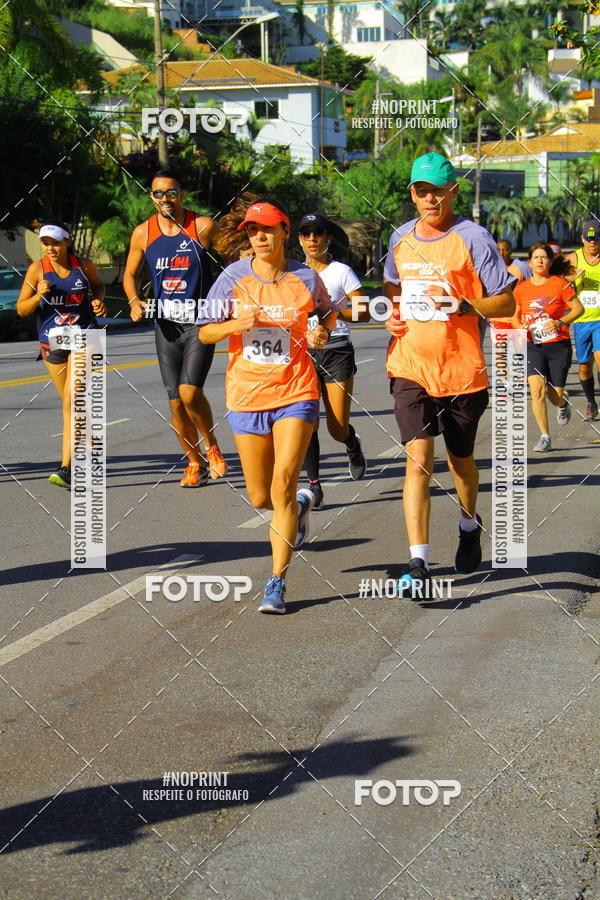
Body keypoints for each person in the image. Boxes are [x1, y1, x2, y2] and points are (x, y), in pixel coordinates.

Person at [383, 152, 516, 592]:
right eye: (421, 191)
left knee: (460, 463)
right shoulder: (401, 237)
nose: (430, 198)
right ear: (413, 194)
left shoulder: (473, 238)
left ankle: (468, 524)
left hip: (462, 372)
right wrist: (391, 314)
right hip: (410, 365)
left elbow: (506, 302)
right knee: (418, 459)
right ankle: (418, 563)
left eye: (438, 190)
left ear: (453, 191)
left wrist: (464, 304)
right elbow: (391, 285)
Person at [197, 199, 336, 614]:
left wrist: (321, 335)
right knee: (261, 497)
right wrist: (235, 325)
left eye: (268, 229)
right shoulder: (232, 278)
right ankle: (301, 510)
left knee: (282, 486)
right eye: (253, 230)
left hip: (296, 391)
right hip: (247, 396)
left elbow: (327, 315)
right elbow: (205, 333)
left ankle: (276, 582)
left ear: (284, 232)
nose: (259, 236)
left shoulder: (305, 278)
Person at [124, 168, 226, 487]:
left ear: (181, 194)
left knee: (189, 391)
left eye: (171, 192)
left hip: (200, 323)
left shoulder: (204, 226)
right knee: (174, 402)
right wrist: (133, 301)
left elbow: (234, 262)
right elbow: (129, 275)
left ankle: (212, 447)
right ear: (151, 197)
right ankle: (194, 463)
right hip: (165, 327)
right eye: (158, 193)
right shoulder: (143, 233)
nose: (165, 199)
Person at [16, 220, 107, 488]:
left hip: (85, 337)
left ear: (67, 241)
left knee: (72, 400)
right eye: (45, 243)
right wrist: (37, 296)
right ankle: (93, 449)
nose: (50, 247)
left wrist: (98, 300)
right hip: (52, 343)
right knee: (72, 405)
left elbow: (99, 286)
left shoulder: (84, 266)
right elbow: (22, 309)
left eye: (55, 242)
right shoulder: (37, 270)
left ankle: (67, 467)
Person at [298, 213, 369, 509]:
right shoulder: (292, 273)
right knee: (306, 421)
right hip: (304, 351)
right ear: (299, 239)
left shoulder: (341, 272)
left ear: (327, 238)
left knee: (336, 427)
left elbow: (364, 312)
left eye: (318, 233)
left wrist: (334, 312)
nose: (312, 239)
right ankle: (314, 485)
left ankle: (351, 443)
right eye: (306, 233)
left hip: (337, 348)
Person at [511, 241, 583, 452]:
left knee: (554, 396)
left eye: (544, 257)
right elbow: (513, 316)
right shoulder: (522, 288)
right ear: (530, 263)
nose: (540, 261)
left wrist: (560, 322)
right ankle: (545, 436)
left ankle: (562, 404)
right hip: (532, 345)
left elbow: (578, 309)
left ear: (551, 261)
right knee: (536, 391)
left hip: (557, 345)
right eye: (536, 258)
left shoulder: (559, 284)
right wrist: (520, 326)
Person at [565, 219, 600, 420]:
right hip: (581, 320)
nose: (592, 243)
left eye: (596, 239)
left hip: (599, 319)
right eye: (589, 239)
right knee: (585, 365)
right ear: (582, 239)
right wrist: (571, 279)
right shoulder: (574, 259)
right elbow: (559, 287)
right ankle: (590, 402)